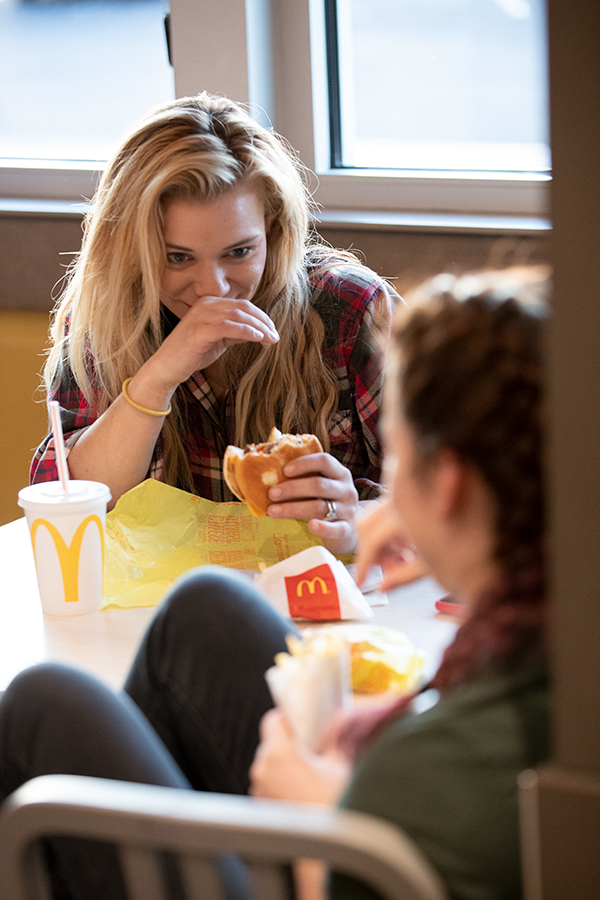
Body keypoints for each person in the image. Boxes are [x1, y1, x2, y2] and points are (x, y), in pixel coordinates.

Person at [0, 267, 550, 900]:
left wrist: (323, 820)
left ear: (449, 484)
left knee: (42, 703)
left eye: (397, 459)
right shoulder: (541, 638)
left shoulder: (422, 770)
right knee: (205, 608)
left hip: (342, 859)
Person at [30, 93, 398, 556]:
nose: (213, 288)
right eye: (177, 257)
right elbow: (68, 503)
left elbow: (454, 497)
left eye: (239, 252)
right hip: (153, 615)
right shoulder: (103, 325)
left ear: (275, 229)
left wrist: (356, 523)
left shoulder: (349, 310)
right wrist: (156, 379)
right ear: (132, 251)